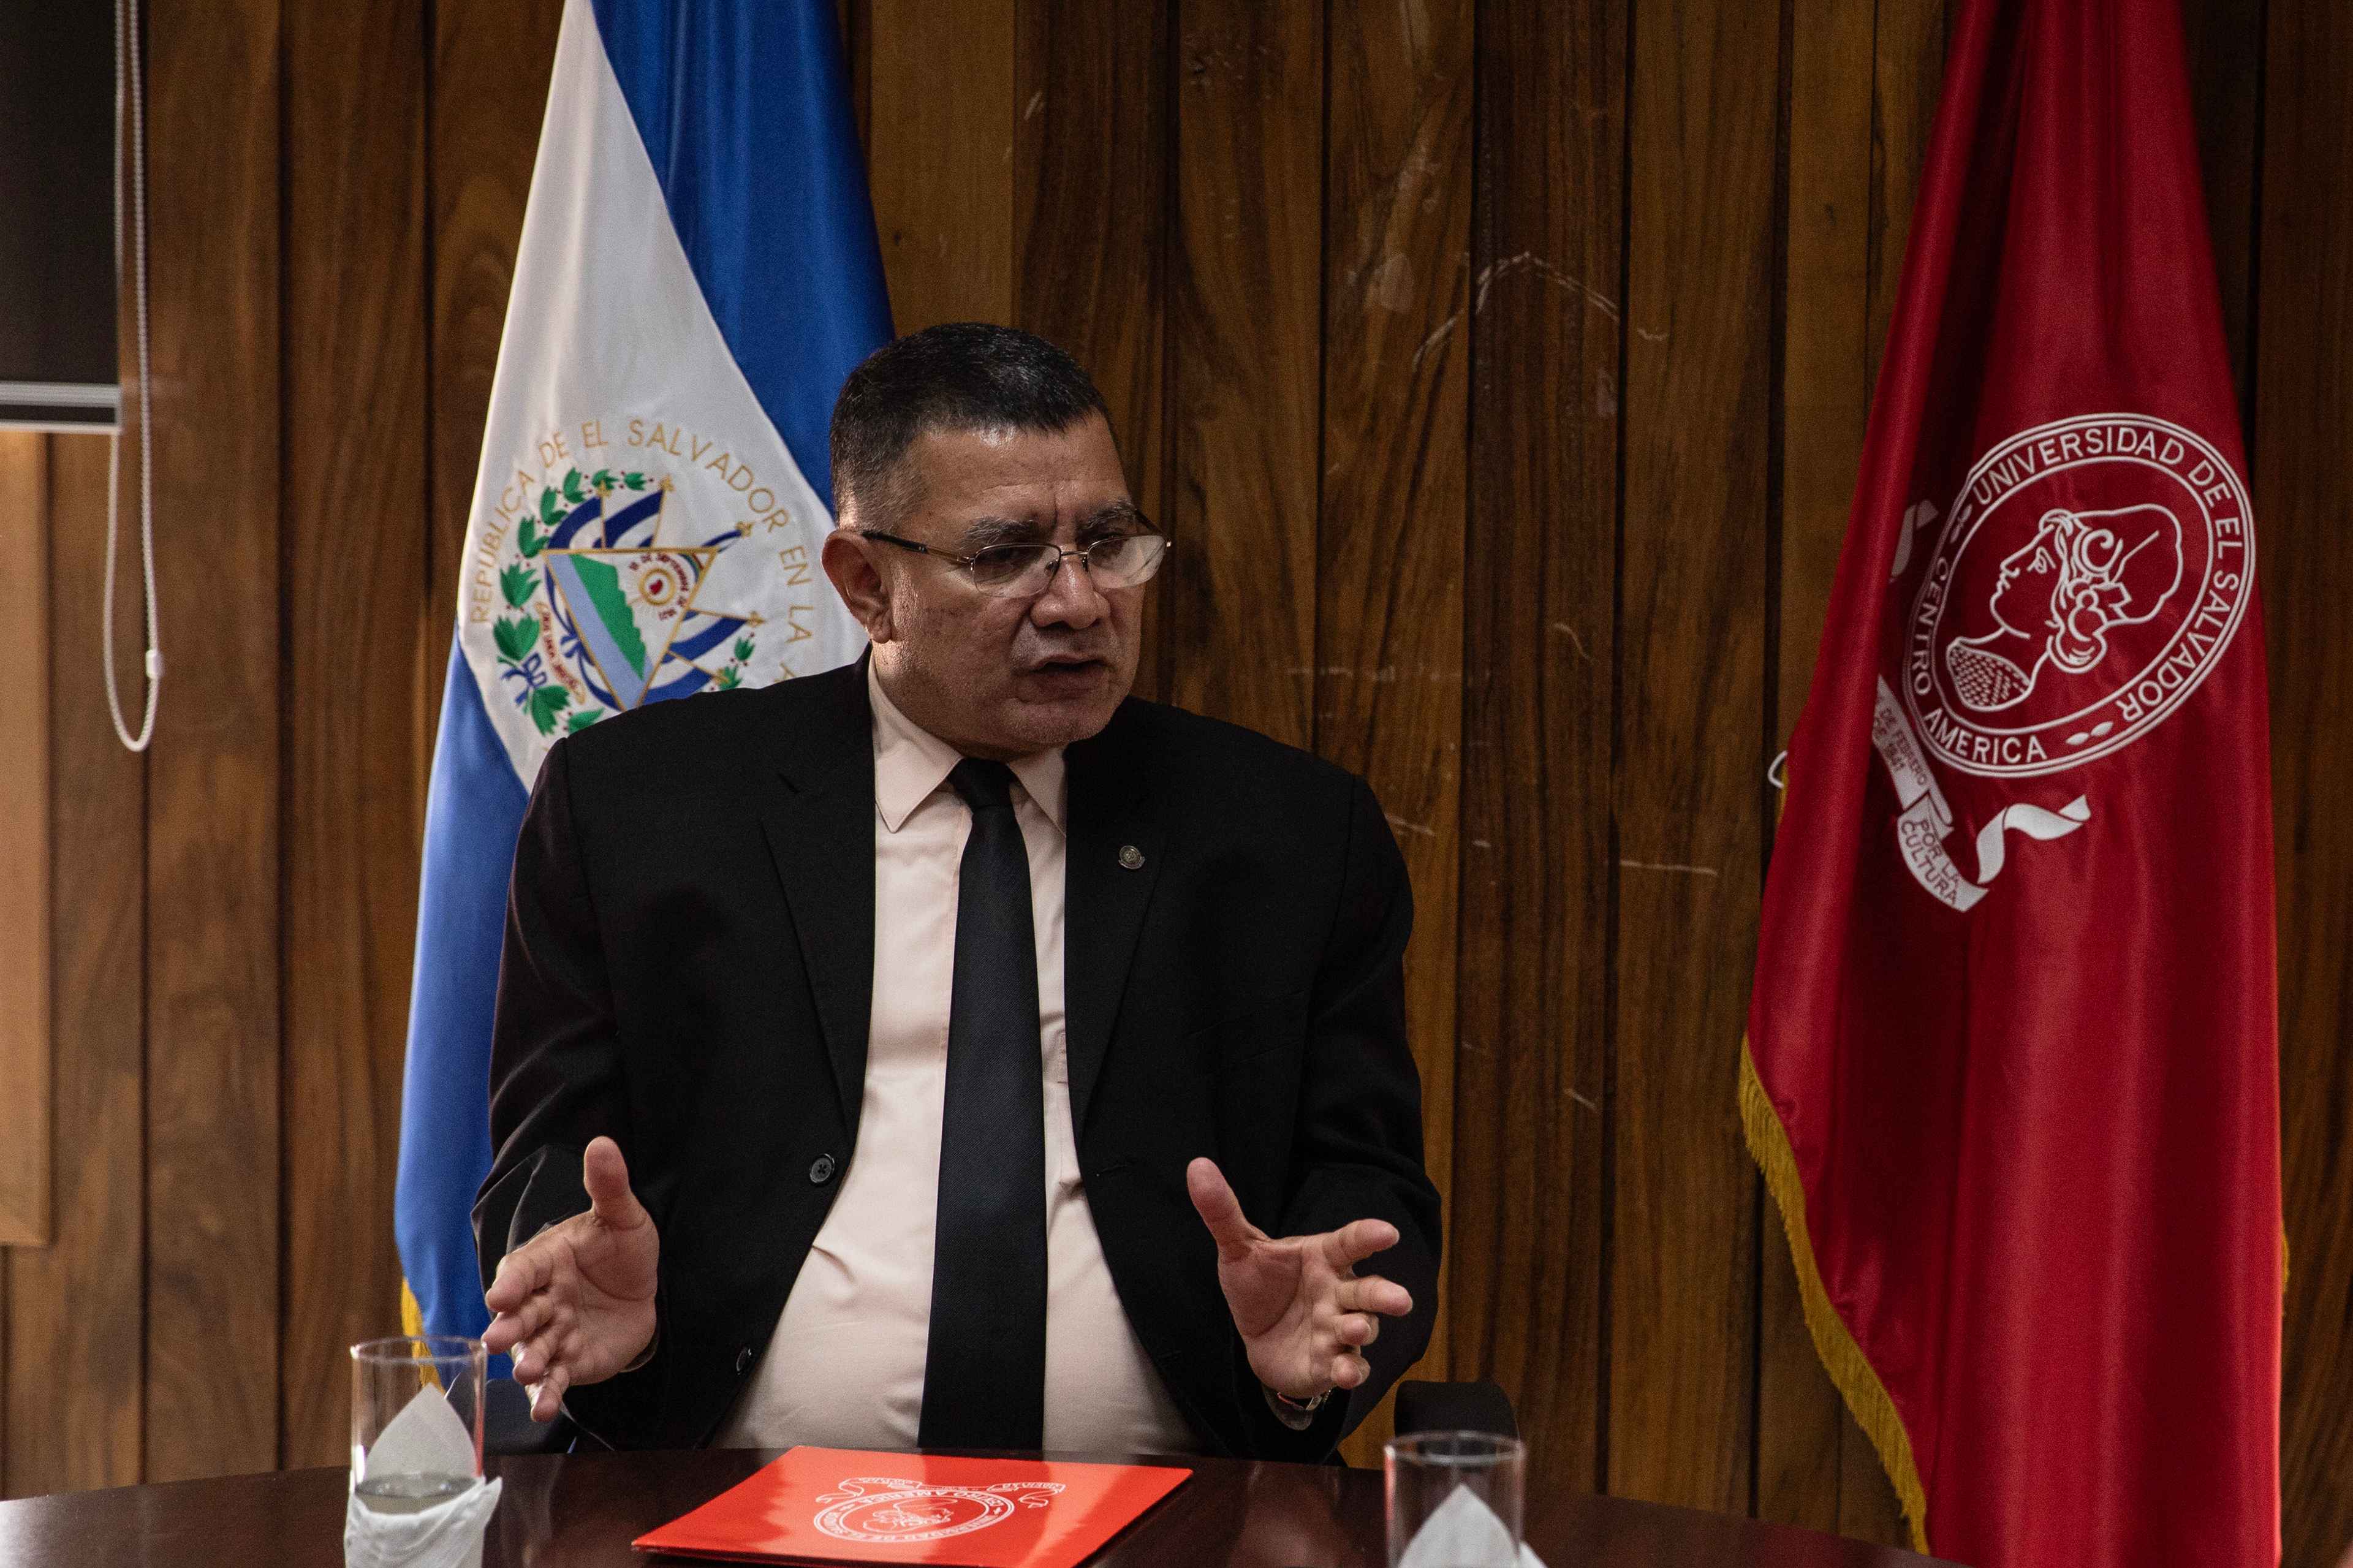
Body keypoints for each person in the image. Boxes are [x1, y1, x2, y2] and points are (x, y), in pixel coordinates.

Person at [474, 322, 1440, 1460]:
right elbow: (547, 1160)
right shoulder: (638, 811)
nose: (1079, 603)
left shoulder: (1291, 834)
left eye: (1109, 544)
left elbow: (1366, 1178)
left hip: (1178, 1512)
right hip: (736, 1504)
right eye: (1004, 555)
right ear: (866, 584)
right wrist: (597, 1299)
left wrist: (1310, 1352)